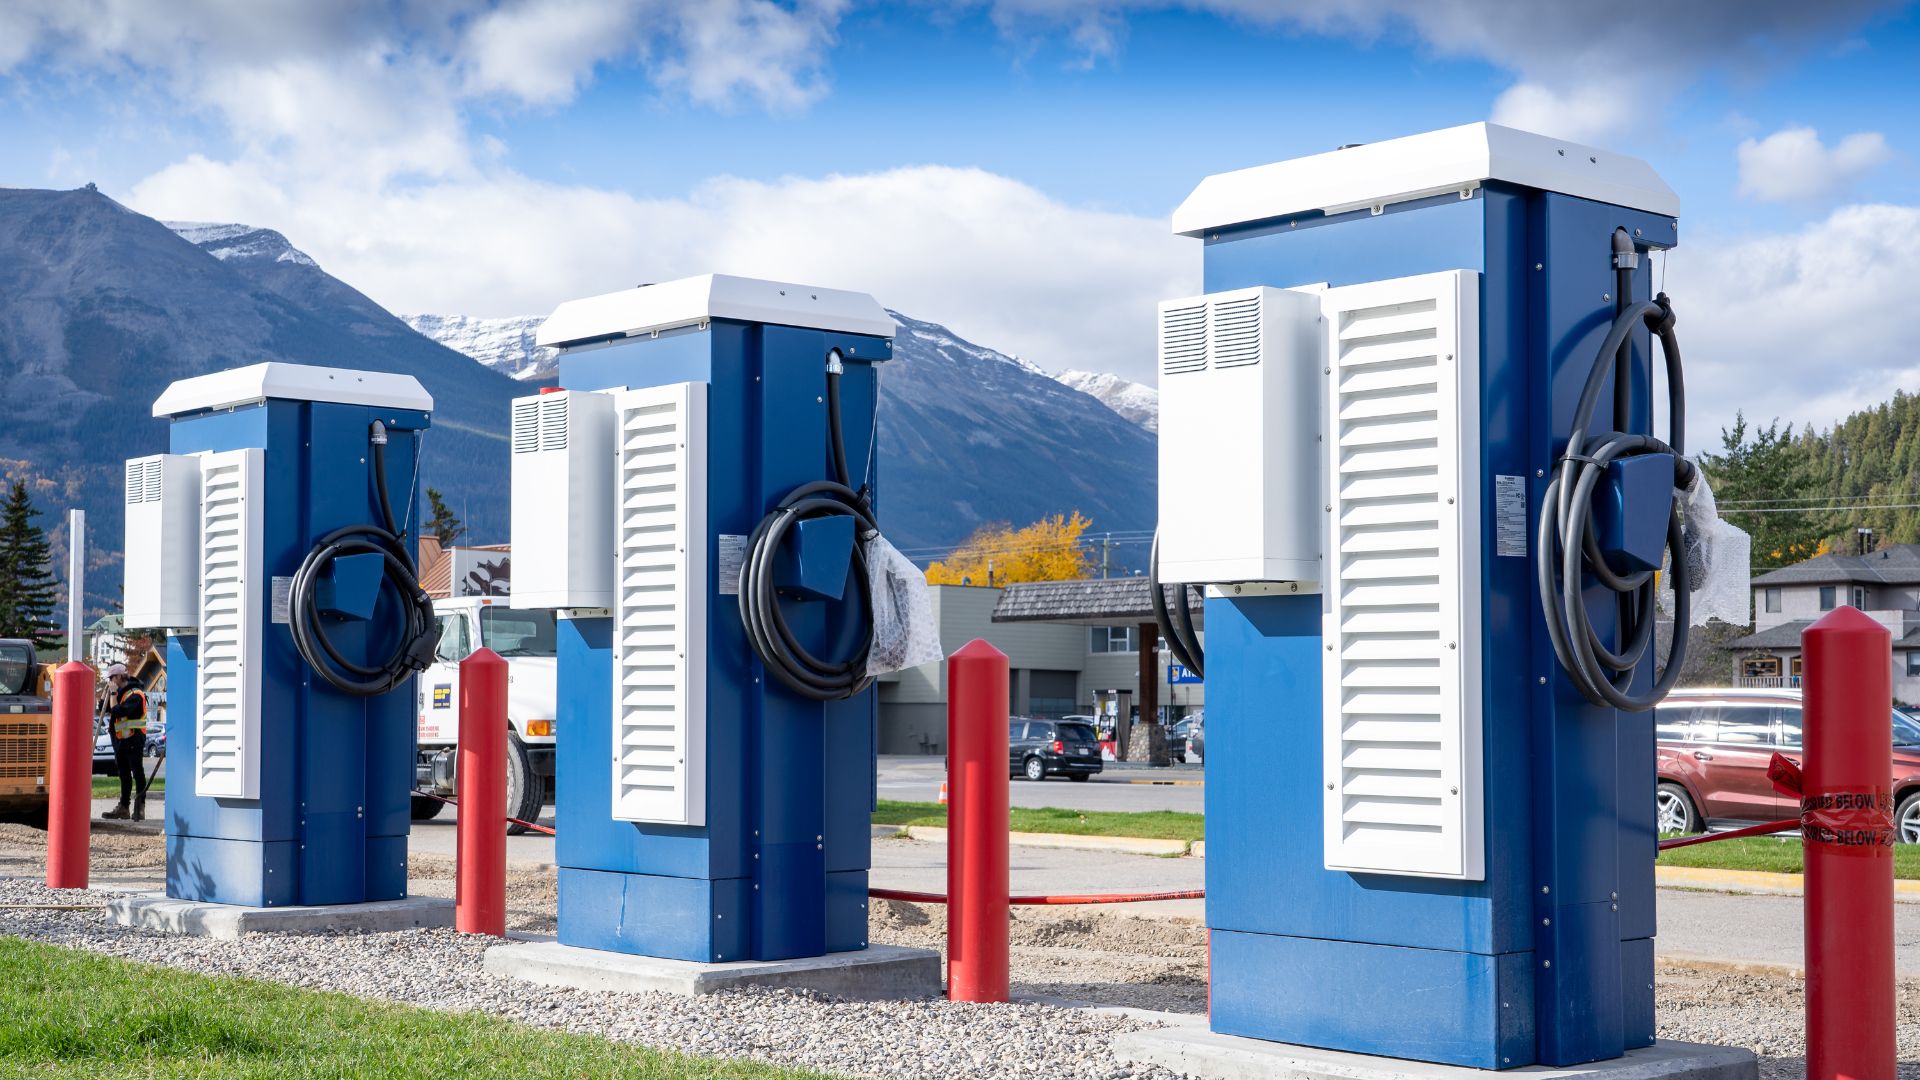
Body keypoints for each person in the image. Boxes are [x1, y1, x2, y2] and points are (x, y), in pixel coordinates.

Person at [102, 663, 150, 821]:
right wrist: (106, 694)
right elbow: (103, 708)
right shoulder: (119, 694)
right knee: (123, 774)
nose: (110, 681)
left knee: (137, 772)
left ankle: (140, 807)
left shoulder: (136, 695)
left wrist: (114, 694)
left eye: (111, 678)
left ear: (118, 677)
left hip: (134, 739)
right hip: (121, 741)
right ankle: (123, 807)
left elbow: (117, 711)